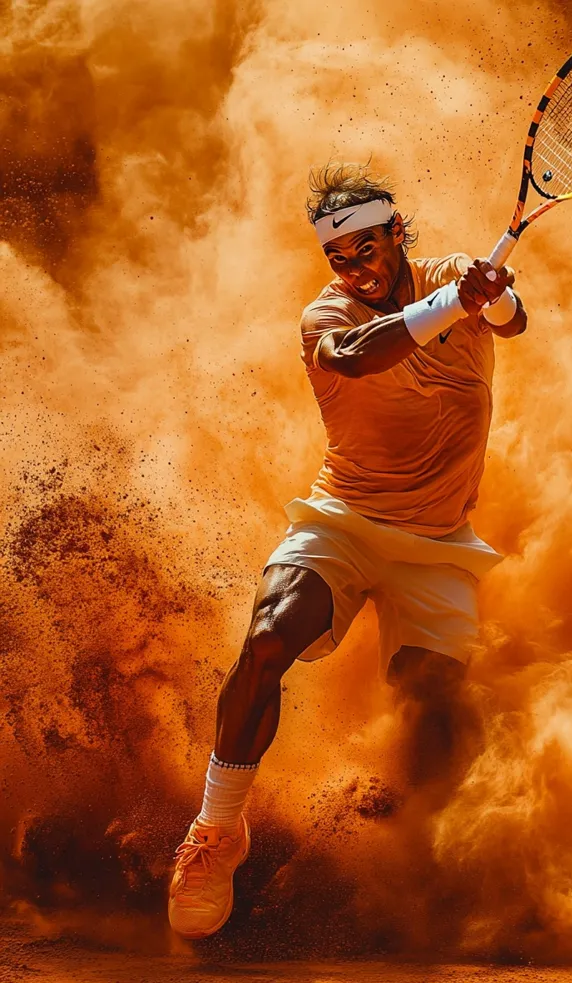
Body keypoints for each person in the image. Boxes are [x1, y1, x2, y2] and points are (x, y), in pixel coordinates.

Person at [168, 163, 527, 939]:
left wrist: (490, 294)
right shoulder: (324, 318)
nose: (356, 270)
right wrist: (451, 304)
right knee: (267, 641)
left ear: (398, 233)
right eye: (341, 257)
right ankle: (217, 830)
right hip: (343, 523)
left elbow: (512, 321)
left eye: (368, 249)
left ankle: (420, 861)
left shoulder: (453, 275)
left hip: (438, 544)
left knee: (431, 705)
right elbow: (363, 355)